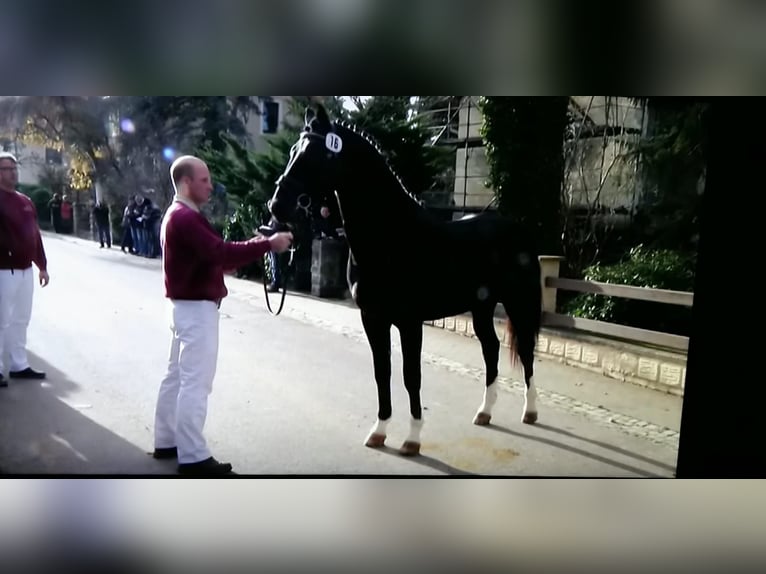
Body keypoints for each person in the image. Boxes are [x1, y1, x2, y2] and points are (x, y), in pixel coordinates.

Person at [153, 155, 293, 476]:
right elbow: (220, 252)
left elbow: (210, 256)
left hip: (182, 306)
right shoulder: (185, 218)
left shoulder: (179, 215)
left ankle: (167, 440)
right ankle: (193, 456)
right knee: (195, 383)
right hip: (195, 309)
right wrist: (269, 245)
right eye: (204, 180)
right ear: (186, 182)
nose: (211, 185)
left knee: (176, 377)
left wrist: (248, 250)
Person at [0, 152, 50, 388]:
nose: (13, 171)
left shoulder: (25, 201)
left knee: (21, 319)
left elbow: (35, 235)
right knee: (2, 320)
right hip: (3, 270)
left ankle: (19, 364)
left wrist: (42, 266)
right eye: (7, 168)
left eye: (14, 167)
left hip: (25, 270)